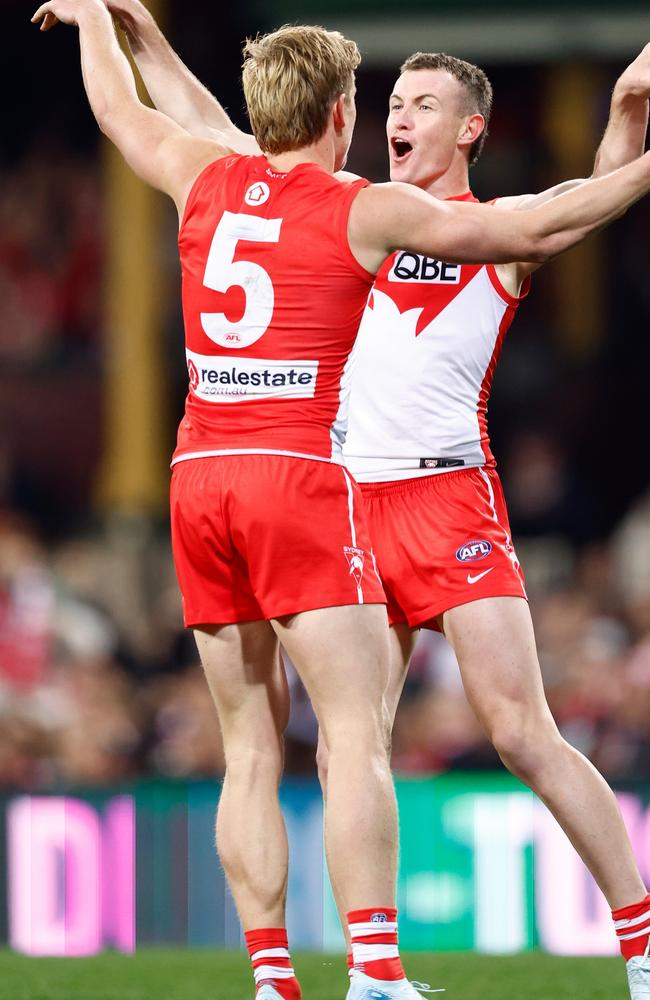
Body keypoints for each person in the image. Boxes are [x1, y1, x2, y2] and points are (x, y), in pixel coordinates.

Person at [32, 3, 650, 998]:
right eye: (391, 97)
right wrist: (140, 30)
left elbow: (563, 204)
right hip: (338, 492)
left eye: (424, 103)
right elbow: (230, 128)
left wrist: (628, 117)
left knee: (518, 731)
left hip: (436, 499)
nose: (400, 113)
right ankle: (367, 964)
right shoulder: (346, 202)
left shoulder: (449, 224)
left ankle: (638, 941)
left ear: (469, 131)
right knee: (347, 738)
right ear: (351, 111)